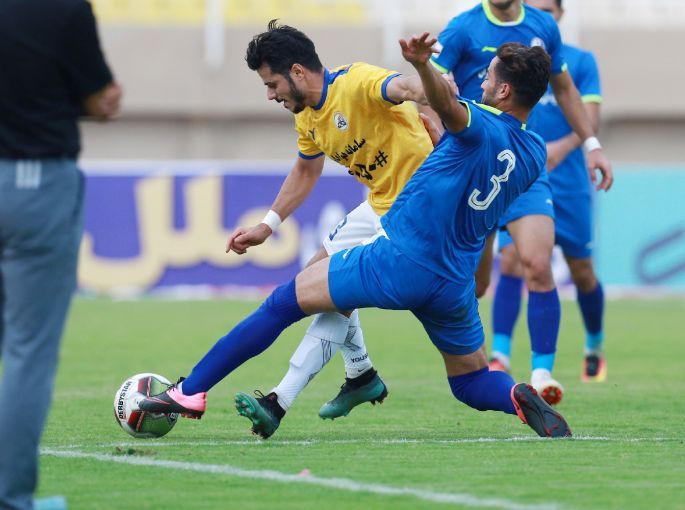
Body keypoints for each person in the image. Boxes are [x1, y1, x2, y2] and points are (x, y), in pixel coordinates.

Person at [141, 35, 578, 439]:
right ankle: (514, 394)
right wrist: (445, 141)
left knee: (282, 304)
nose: (481, 82)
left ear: (504, 91)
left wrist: (421, 65)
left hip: (401, 258)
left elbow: (445, 103)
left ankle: (190, 392)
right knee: (471, 380)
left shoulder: (476, 122)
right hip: (453, 281)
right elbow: (475, 172)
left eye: (488, 77)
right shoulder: (534, 154)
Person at [0, 1, 120, 509]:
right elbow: (102, 99)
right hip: (35, 180)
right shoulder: (64, 8)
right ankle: (10, 499)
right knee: (29, 351)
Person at [225, 20, 441, 439]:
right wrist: (267, 226)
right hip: (379, 202)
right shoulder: (307, 116)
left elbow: (404, 87)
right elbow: (306, 171)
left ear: (297, 71)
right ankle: (361, 373)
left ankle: (278, 401)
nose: (270, 95)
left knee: (331, 291)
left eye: (272, 84)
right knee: (313, 278)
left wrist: (430, 83)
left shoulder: (356, 82)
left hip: (415, 211)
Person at [430, 0, 613, 405]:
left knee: (537, 264)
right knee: (476, 284)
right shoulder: (462, 28)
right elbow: (429, 90)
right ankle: (482, 362)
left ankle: (542, 373)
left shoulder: (545, 28)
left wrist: (592, 145)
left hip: (525, 165)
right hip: (474, 167)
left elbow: (565, 90)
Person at [490, 0, 608, 382]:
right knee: (512, 261)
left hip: (569, 180)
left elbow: (590, 118)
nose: (542, 16)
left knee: (582, 271)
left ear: (560, 15)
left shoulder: (580, 61)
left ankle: (594, 345)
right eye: (535, 8)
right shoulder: (512, 64)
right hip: (522, 177)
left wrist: (563, 147)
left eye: (549, 9)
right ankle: (500, 355)